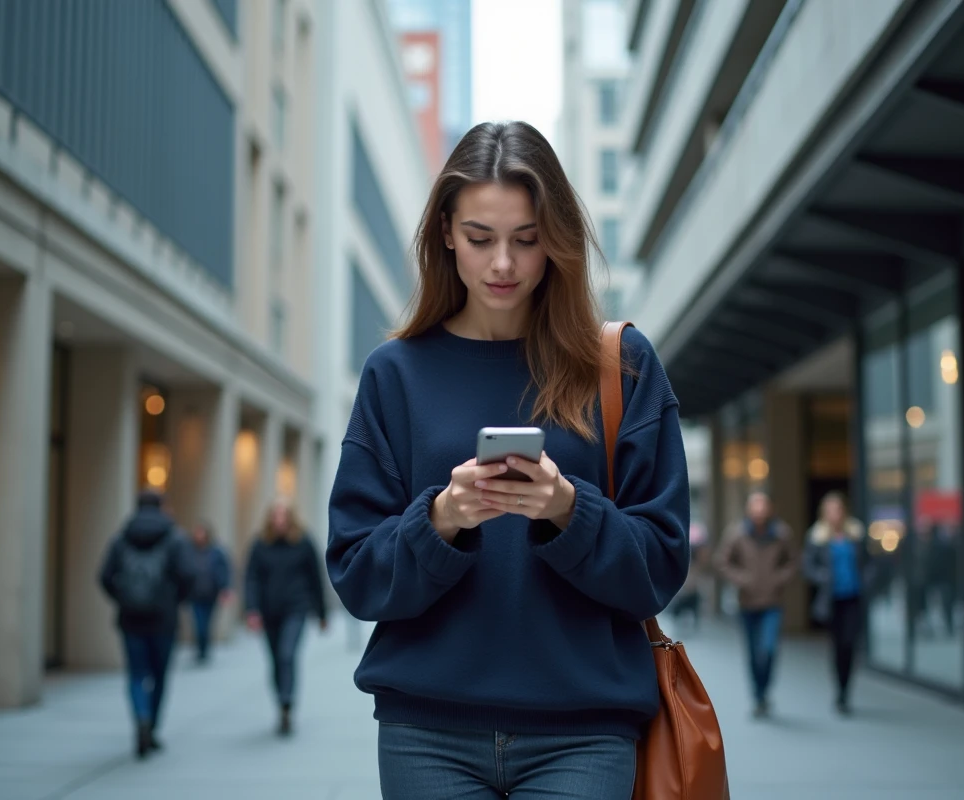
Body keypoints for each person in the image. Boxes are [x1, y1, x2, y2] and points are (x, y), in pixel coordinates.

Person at [326, 121, 691, 799]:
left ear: (556, 239)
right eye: (480, 238)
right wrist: (440, 519)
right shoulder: (394, 375)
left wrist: (567, 509)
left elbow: (662, 565)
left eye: (526, 240)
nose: (503, 264)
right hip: (426, 734)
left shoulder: (622, 368)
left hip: (584, 733)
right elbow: (355, 572)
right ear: (444, 232)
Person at [98, 489, 193, 758]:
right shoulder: (175, 538)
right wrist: (174, 601)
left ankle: (140, 716)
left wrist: (123, 598)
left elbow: (104, 577)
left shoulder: (121, 538)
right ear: (162, 507)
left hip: (131, 619)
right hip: (164, 619)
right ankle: (151, 727)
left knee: (137, 673)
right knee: (160, 675)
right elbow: (188, 575)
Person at [245, 498, 328, 736]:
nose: (279, 521)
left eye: (284, 516)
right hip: (269, 611)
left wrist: (321, 613)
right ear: (270, 520)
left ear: (291, 519)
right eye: (275, 517)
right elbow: (251, 578)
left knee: (287, 655)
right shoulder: (261, 545)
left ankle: (287, 703)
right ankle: (281, 704)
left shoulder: (303, 543)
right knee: (275, 661)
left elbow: (316, 579)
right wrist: (252, 610)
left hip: (296, 608)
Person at [714, 491, 797, 718]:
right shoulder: (737, 533)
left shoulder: (781, 534)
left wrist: (778, 579)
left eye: (763, 507)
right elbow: (722, 562)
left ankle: (765, 689)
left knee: (768, 650)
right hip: (747, 602)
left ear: (769, 509)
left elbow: (792, 561)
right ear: (749, 510)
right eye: (755, 507)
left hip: (772, 602)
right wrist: (742, 580)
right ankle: (758, 696)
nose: (759, 512)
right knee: (752, 653)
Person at [803, 491, 869, 714]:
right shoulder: (817, 536)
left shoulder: (856, 533)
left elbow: (871, 562)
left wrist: (866, 580)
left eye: (838, 509)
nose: (834, 514)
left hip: (853, 597)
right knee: (837, 646)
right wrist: (823, 577)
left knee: (850, 644)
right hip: (832, 600)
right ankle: (839, 691)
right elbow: (808, 566)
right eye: (830, 510)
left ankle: (846, 689)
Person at [187, 521, 232, 664]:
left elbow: (224, 570)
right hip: (195, 594)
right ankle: (201, 650)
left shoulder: (216, 552)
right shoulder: (190, 551)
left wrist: (225, 588)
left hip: (211, 594)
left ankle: (205, 649)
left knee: (207, 623)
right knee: (199, 624)